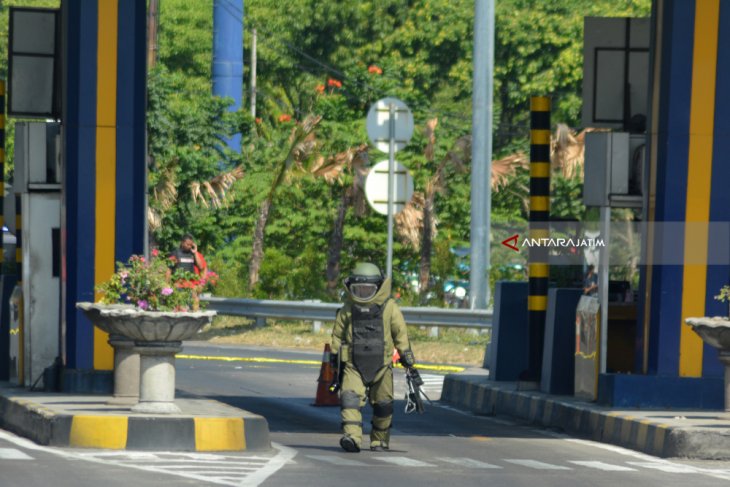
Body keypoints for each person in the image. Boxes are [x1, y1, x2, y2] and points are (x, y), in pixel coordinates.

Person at [330, 262, 416, 453]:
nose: (362, 293)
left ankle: (379, 441)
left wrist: (407, 358)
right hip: (353, 364)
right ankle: (352, 437)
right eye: (358, 290)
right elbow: (337, 335)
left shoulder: (390, 308)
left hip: (383, 365)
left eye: (367, 290)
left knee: (384, 406)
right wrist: (334, 357)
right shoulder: (348, 309)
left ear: (378, 287)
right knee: (350, 399)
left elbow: (400, 334)